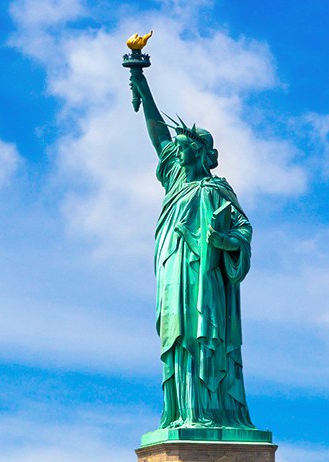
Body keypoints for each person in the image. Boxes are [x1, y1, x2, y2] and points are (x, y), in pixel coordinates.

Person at [125, 62, 255, 432]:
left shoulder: (217, 191)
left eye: (183, 150)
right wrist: (140, 81)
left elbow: (243, 231)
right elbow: (157, 136)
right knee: (178, 338)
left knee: (206, 336)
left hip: (206, 275)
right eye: (178, 150)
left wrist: (224, 240)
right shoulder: (176, 179)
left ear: (199, 153)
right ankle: (182, 411)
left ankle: (213, 413)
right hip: (173, 269)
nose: (177, 154)